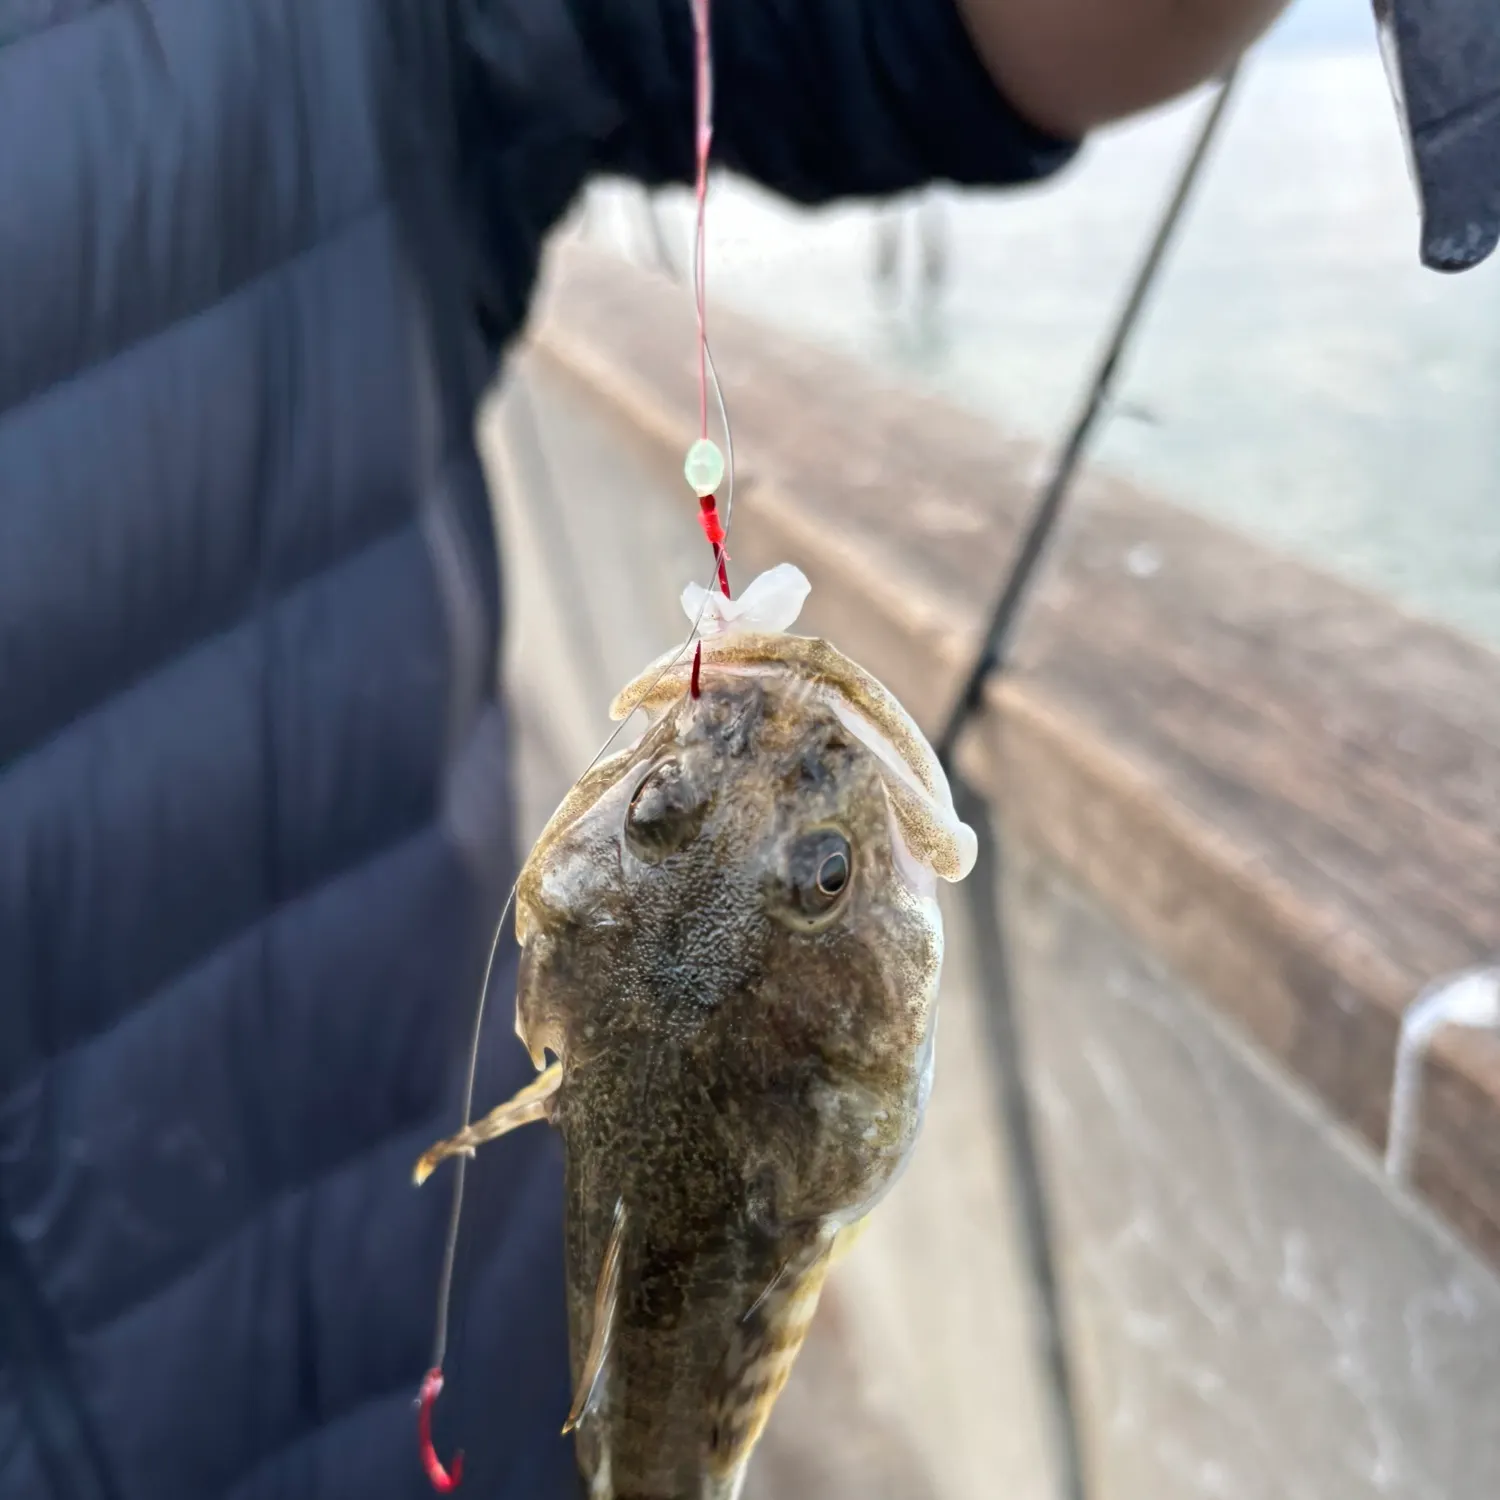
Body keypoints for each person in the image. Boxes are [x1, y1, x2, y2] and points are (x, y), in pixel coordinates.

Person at [0, 2, 1289, 1497]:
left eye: (658, 813)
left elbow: (894, 41)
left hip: (432, 1387)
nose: (769, 743)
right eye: (825, 873)